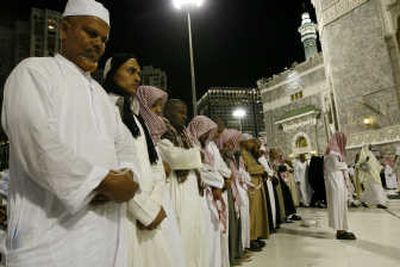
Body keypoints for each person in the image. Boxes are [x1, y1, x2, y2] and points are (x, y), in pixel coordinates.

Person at [1, 1, 141, 266]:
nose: (99, 44)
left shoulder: (101, 96)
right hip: (47, 240)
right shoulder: (33, 72)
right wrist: (100, 182)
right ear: (64, 29)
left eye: (104, 39)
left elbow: (125, 148)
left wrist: (129, 178)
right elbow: (36, 144)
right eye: (91, 33)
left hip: (107, 236)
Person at [103, 55, 185, 267]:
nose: (137, 77)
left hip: (150, 210)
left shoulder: (136, 117)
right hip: (121, 214)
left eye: (139, 72)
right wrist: (144, 210)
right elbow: (112, 171)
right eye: (130, 71)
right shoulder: (104, 111)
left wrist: (154, 203)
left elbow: (154, 163)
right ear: (112, 74)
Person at [158, 100, 208, 267]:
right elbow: (173, 158)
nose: (184, 116)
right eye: (180, 112)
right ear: (168, 113)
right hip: (176, 189)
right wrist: (196, 156)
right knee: (182, 234)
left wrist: (194, 156)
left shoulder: (184, 136)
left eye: (185, 112)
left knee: (194, 234)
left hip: (192, 191)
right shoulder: (163, 134)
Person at [187, 115, 230, 267]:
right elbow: (201, 170)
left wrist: (222, 180)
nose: (209, 136)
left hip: (213, 193)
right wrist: (218, 181)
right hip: (201, 195)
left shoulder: (208, 146)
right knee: (206, 236)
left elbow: (217, 168)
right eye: (207, 132)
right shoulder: (191, 145)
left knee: (215, 234)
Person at [324, 132, 356, 240]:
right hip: (335, 183)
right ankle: (340, 230)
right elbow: (335, 165)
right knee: (338, 206)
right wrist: (345, 165)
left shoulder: (336, 153)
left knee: (341, 206)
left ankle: (342, 228)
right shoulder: (332, 153)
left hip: (338, 181)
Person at [240, 134, 269, 251]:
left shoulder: (249, 154)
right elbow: (251, 169)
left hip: (256, 184)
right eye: (250, 142)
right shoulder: (242, 154)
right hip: (251, 186)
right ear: (244, 142)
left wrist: (261, 169)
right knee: (252, 213)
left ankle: (256, 236)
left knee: (257, 212)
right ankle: (251, 238)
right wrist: (262, 170)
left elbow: (255, 166)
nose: (252, 144)